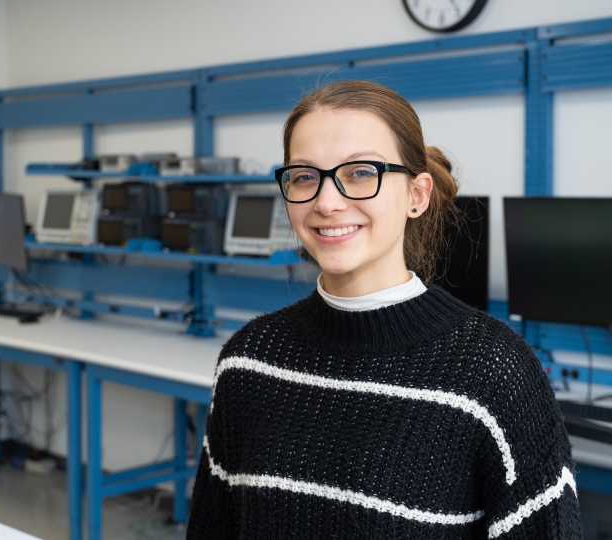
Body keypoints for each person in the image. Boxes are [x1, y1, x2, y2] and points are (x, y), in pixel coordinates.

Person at [187, 80, 582, 539]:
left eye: (360, 172)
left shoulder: (494, 371)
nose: (327, 202)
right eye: (304, 176)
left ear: (418, 195)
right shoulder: (248, 360)